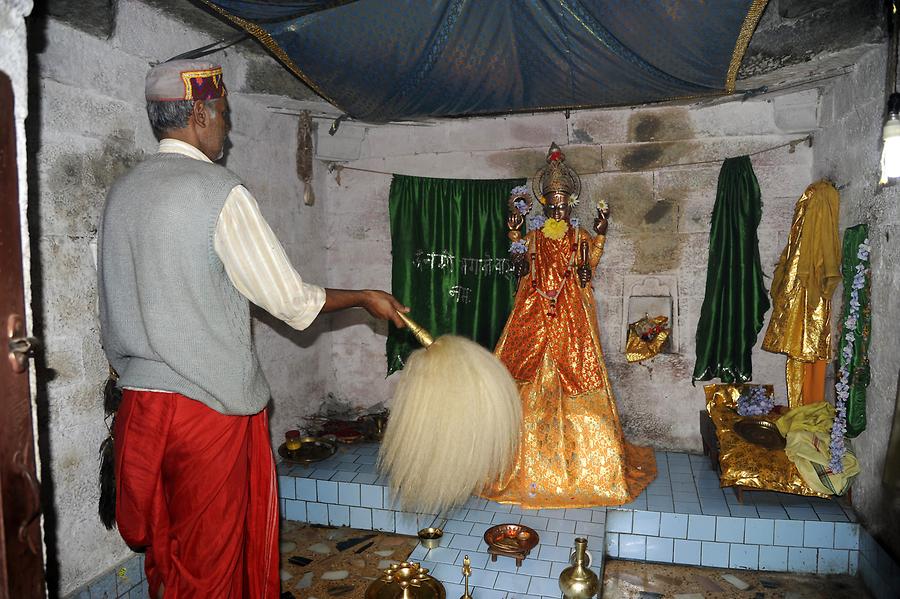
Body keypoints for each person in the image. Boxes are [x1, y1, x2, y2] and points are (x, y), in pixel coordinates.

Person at [97, 59, 408, 598]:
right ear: (197, 113)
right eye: (221, 113)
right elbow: (290, 300)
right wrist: (362, 296)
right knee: (215, 559)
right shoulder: (217, 192)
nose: (227, 127)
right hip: (206, 412)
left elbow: (111, 305)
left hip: (140, 409)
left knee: (168, 551)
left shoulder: (122, 193)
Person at [484, 144, 656, 508]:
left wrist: (602, 234)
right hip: (532, 316)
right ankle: (520, 467)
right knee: (520, 377)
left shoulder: (579, 238)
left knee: (579, 377)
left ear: (570, 204)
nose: (557, 208)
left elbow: (587, 267)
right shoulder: (533, 238)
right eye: (551, 203)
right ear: (543, 205)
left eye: (562, 202)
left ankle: (589, 468)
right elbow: (519, 270)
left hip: (571, 318)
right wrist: (514, 237)